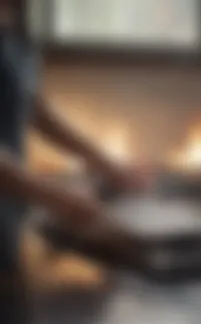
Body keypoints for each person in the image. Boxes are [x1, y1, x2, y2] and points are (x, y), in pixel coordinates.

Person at [0, 0, 143, 274]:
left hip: (7, 221)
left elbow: (32, 107)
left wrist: (106, 163)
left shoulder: (18, 23)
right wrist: (60, 199)